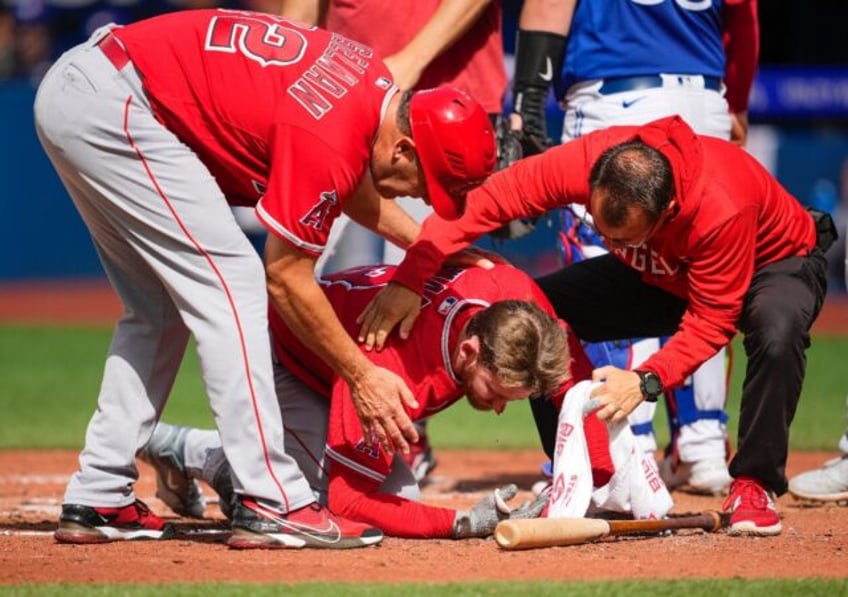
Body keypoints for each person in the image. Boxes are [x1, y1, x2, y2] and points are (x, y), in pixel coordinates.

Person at [34, 8, 496, 548]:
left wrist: (425, 247)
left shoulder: (371, 87)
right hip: (119, 103)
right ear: (403, 148)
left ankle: (99, 493)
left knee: (158, 310)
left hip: (94, 90)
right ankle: (270, 499)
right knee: (237, 286)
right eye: (426, 184)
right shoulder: (333, 128)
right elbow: (285, 277)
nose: (419, 198)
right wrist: (361, 375)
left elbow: (350, 180)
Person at [356, 115, 834, 536]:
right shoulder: (597, 156)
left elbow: (712, 322)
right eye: (599, 229)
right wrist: (410, 278)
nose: (603, 242)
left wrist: (645, 381)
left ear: (664, 214)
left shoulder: (720, 207)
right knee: (539, 310)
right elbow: (491, 198)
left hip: (770, 265)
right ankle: (578, 470)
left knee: (776, 331)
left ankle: (754, 484)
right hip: (665, 271)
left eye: (616, 237)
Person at [142, 263, 608, 537]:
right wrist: (461, 522)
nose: (503, 408)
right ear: (468, 351)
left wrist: (596, 479)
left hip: (336, 361)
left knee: (397, 496)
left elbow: (572, 380)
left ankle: (252, 461)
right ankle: (199, 454)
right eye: (497, 392)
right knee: (356, 499)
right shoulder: (394, 373)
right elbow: (349, 501)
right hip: (281, 357)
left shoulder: (517, 300)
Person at [508, 0, 760, 495]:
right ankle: (703, 447)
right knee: (702, 273)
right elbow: (744, 19)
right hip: (705, 93)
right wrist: (738, 100)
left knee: (610, 268)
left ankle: (629, 453)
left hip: (614, 89)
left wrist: (527, 103)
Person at [278, 0, 514, 482]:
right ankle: (266, 435)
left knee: (434, 293)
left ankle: (406, 432)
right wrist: (287, 87)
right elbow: (298, 13)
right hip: (335, 95)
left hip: (450, 101)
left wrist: (411, 58)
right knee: (299, 288)